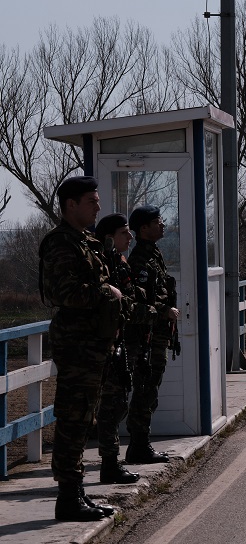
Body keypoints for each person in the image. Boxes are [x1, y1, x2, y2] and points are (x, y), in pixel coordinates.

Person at [39, 176, 121, 521]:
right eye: (91, 200)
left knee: (85, 415)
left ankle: (77, 495)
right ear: (71, 204)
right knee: (74, 418)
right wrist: (109, 295)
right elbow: (65, 294)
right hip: (76, 345)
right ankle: (68, 498)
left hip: (93, 343)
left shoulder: (86, 240)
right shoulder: (61, 243)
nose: (98, 206)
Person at [94, 213, 157, 484]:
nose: (130, 237)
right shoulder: (104, 263)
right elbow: (118, 304)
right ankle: (109, 463)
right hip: (108, 342)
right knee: (111, 405)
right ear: (110, 237)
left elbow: (130, 296)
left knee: (119, 402)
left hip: (124, 342)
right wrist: (149, 311)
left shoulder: (119, 261)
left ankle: (112, 461)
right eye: (124, 233)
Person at [124, 205, 180, 464]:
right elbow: (137, 301)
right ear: (144, 228)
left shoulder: (153, 254)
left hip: (156, 334)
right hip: (146, 336)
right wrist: (164, 310)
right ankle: (138, 446)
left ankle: (141, 444)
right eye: (157, 221)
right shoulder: (140, 261)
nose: (162, 225)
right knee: (145, 390)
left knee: (150, 389)